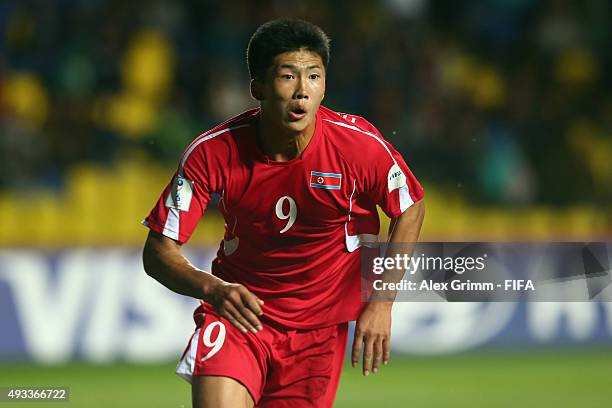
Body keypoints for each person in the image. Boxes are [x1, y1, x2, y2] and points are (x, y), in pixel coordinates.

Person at [142, 18, 425, 408]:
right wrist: (212, 289)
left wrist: (381, 301)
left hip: (318, 335)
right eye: (288, 76)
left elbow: (410, 207)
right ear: (257, 87)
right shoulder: (211, 153)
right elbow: (158, 250)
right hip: (239, 318)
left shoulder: (358, 146)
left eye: (314, 76)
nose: (302, 92)